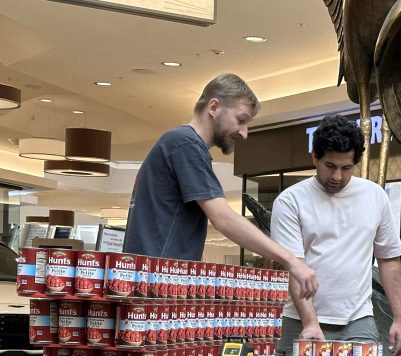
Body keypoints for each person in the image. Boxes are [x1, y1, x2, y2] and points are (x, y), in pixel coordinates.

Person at [123, 73, 317, 299]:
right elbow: (223, 218)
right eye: (241, 120)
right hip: (157, 286)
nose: (244, 133)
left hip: (154, 282)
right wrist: (291, 260)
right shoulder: (185, 144)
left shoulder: (179, 143)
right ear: (214, 107)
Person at [270, 114, 401, 356]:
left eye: (346, 168)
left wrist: (399, 319)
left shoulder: (375, 196)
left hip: (358, 320)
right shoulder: (290, 200)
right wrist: (310, 322)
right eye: (329, 166)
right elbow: (295, 267)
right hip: (301, 321)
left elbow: (390, 259)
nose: (337, 176)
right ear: (314, 157)